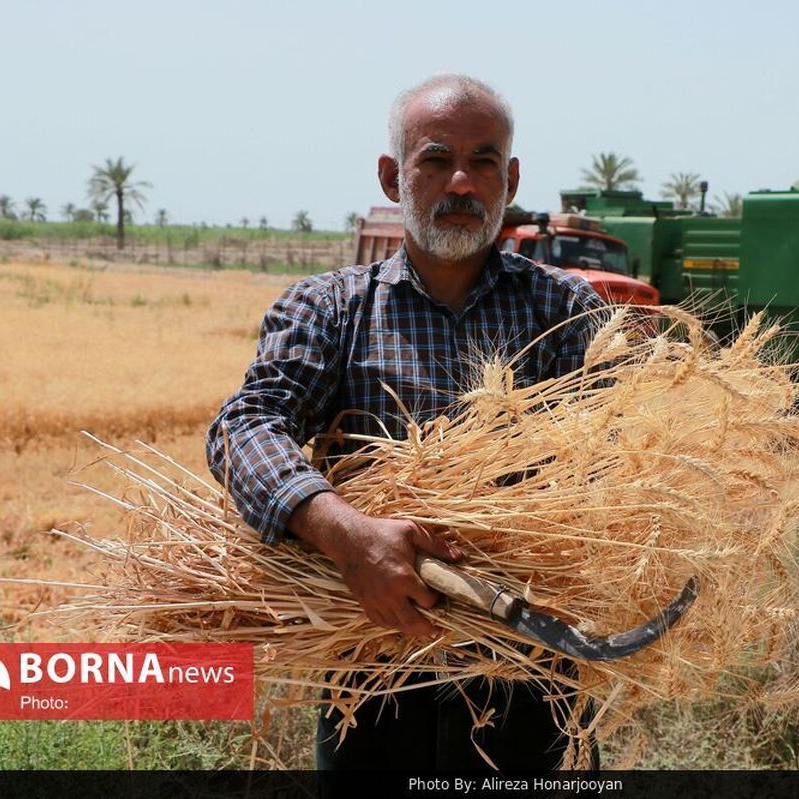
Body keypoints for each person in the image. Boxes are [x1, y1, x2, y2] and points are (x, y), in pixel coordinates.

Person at [207, 74, 605, 771]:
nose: (461, 181)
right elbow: (244, 425)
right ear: (393, 178)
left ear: (510, 179)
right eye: (435, 158)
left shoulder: (569, 312)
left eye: (483, 161)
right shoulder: (329, 309)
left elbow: (631, 452)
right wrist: (344, 532)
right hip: (373, 664)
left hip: (531, 664)